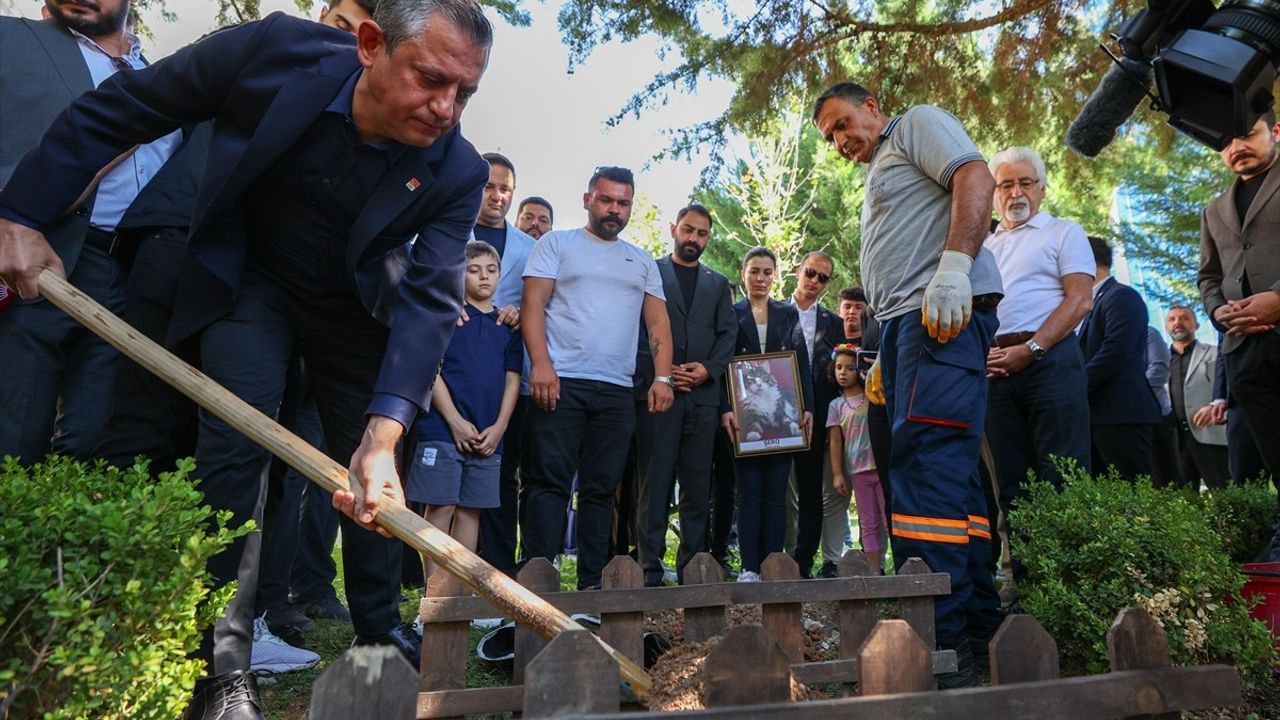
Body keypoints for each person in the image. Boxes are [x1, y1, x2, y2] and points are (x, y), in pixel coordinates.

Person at [0, 3, 495, 716]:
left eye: (465, 92)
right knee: (235, 449)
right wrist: (19, 213)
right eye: (431, 79)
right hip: (250, 281)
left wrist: (384, 432)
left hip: (352, 308)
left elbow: (430, 302)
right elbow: (127, 108)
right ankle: (225, 669)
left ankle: (380, 627)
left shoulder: (457, 171)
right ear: (369, 45)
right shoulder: (271, 53)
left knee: (380, 466)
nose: (446, 108)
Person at [813, 81, 1004, 687]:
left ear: (872, 106)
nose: (841, 141)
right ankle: (976, 626)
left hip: (938, 317)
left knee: (926, 473)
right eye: (830, 137)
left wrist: (954, 269)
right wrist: (880, 358)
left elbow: (975, 176)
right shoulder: (881, 170)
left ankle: (941, 642)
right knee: (951, 477)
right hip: (905, 331)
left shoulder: (916, 121)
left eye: (843, 123)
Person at [0, 0, 180, 463]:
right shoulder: (11, 39)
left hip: (132, 281)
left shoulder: (172, 80)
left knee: (95, 449)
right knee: (14, 441)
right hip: (31, 264)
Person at [519, 166, 674, 590]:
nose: (614, 210)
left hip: (617, 390)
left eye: (623, 203)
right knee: (547, 483)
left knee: (601, 490)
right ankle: (537, 581)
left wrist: (663, 379)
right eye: (606, 200)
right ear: (588, 199)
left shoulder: (641, 260)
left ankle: (591, 585)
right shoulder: (556, 243)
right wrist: (541, 365)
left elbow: (658, 325)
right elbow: (533, 304)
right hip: (560, 381)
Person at [982, 146, 1093, 585]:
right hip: (995, 370)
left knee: (1062, 474)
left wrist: (1033, 348)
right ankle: (1033, 589)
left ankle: (1074, 586)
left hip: (1051, 360)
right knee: (1012, 484)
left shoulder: (1064, 232)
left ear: (1042, 189)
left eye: (1025, 181)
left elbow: (1080, 299)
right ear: (993, 194)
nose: (1015, 191)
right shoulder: (984, 247)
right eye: (1006, 184)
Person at [634, 203, 736, 586]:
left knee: (698, 488)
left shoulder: (717, 283)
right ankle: (649, 569)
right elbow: (639, 330)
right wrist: (660, 374)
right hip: (659, 395)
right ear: (674, 229)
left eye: (702, 233)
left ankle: (693, 566)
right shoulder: (651, 273)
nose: (694, 238)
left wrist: (708, 369)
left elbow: (728, 335)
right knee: (654, 484)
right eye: (689, 230)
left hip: (703, 399)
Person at [409, 240, 521, 588]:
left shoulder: (507, 327)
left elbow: (513, 381)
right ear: (459, 274)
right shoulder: (449, 318)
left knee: (471, 511)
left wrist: (500, 428)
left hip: (489, 435)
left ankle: (458, 593)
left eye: (491, 270)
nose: (483, 277)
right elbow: (431, 370)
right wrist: (455, 421)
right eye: (473, 270)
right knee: (440, 508)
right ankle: (435, 593)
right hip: (443, 430)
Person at [721, 247, 814, 583]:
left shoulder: (788, 314)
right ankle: (748, 567)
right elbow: (722, 365)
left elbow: (800, 362)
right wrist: (725, 409)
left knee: (776, 494)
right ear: (743, 273)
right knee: (749, 492)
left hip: (782, 416)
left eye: (766, 272)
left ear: (775, 276)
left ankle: (773, 564)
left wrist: (807, 408)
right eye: (754, 271)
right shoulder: (731, 313)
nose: (760, 278)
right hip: (744, 420)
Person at [1199, 110, 1280, 484]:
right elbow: (1209, 276)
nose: (1237, 147)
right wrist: (1218, 312)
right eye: (1226, 142)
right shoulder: (1214, 211)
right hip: (1243, 352)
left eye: (1247, 134)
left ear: (1275, 131)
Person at [471, 152, 536, 577]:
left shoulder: (531, 248)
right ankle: (438, 573)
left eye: (505, 189)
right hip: (455, 369)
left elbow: (541, 303)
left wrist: (519, 310)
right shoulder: (445, 230)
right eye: (490, 186)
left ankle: (497, 568)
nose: (497, 196)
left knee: (501, 472)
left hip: (507, 373)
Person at [1079, 237, 1162, 478]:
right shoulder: (1089, 302)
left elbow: (1115, 351)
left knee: (1130, 489)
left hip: (1121, 412)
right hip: (1096, 414)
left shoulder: (1121, 296)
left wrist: (1075, 384)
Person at [788, 251, 843, 578]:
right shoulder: (774, 313)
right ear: (798, 271)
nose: (814, 281)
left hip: (817, 417)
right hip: (775, 416)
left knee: (811, 492)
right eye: (810, 273)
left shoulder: (834, 323)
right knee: (775, 491)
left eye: (823, 278)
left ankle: (802, 562)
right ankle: (768, 559)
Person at [826, 343, 885, 573]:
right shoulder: (836, 406)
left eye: (849, 368)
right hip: (858, 471)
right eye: (839, 367)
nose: (843, 372)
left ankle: (900, 565)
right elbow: (835, 441)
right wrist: (838, 473)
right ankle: (874, 572)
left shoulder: (873, 396)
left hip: (880, 466)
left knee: (887, 517)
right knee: (868, 522)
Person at [1166, 306, 1231, 489]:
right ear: (1166, 327)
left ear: (1196, 324)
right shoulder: (1159, 360)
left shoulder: (1215, 353)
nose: (1177, 323)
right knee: (1183, 504)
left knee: (1225, 494)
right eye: (1172, 319)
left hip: (1210, 434)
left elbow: (1228, 383)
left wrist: (1214, 405)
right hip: (1175, 442)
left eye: (1184, 318)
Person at [1145, 325, 1179, 487]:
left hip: (1157, 417)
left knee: (1167, 480)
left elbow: (1159, 370)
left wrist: (1128, 393)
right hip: (1123, 421)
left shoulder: (1148, 333)